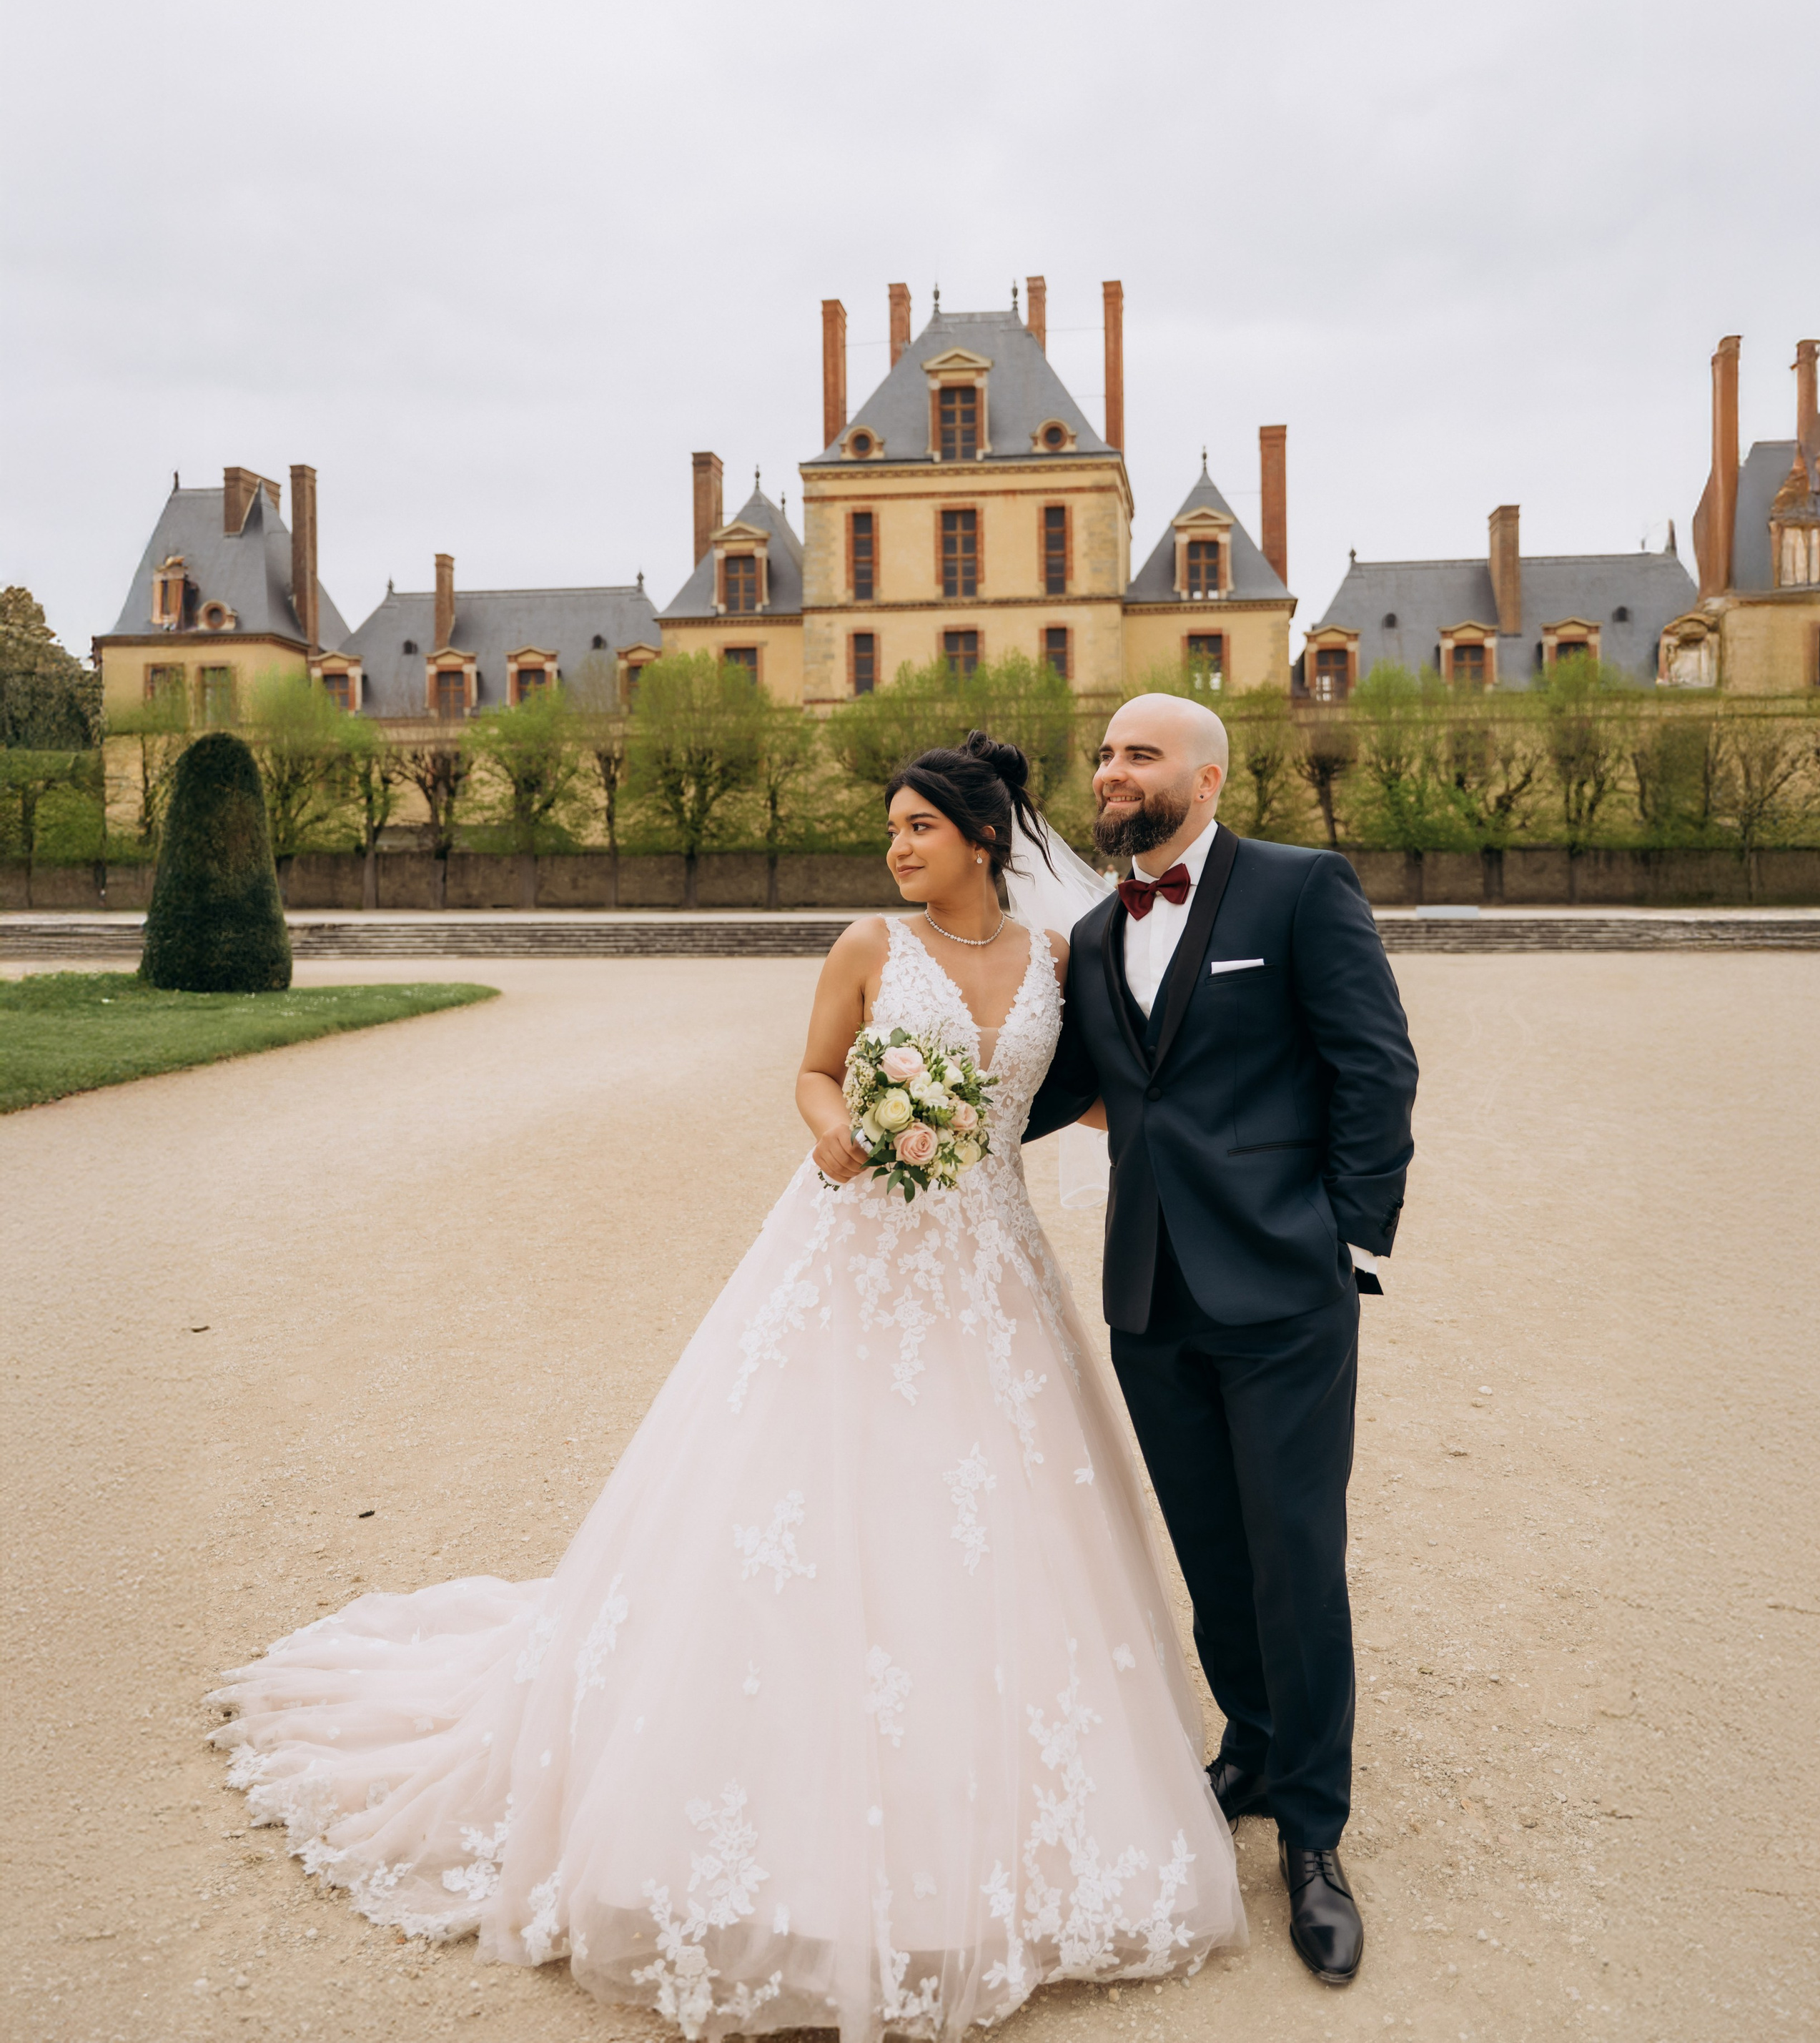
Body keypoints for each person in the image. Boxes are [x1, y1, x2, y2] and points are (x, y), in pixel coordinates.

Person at [211, 731, 1245, 2043]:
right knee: (800, 1513)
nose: (896, 848)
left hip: (993, 1271)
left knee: (993, 1527)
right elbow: (816, 1072)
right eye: (891, 831)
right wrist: (834, 1129)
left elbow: (1099, 1099)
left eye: (917, 829)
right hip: (855, 1256)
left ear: (982, 840)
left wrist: (1217, 1126)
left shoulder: (1054, 961)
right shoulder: (868, 950)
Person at [1024, 693, 1418, 1989]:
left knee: (1297, 1557)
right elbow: (1071, 1083)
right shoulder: (1091, 933)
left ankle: (1312, 1836)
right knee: (1211, 1552)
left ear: (1204, 774)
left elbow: (1375, 1067)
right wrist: (926, 1102)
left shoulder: (1303, 891)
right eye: (1102, 754)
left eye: (1139, 753)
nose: (1111, 771)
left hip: (1285, 1293)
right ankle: (1248, 1743)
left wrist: (1348, 1241)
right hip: (1151, 1296)